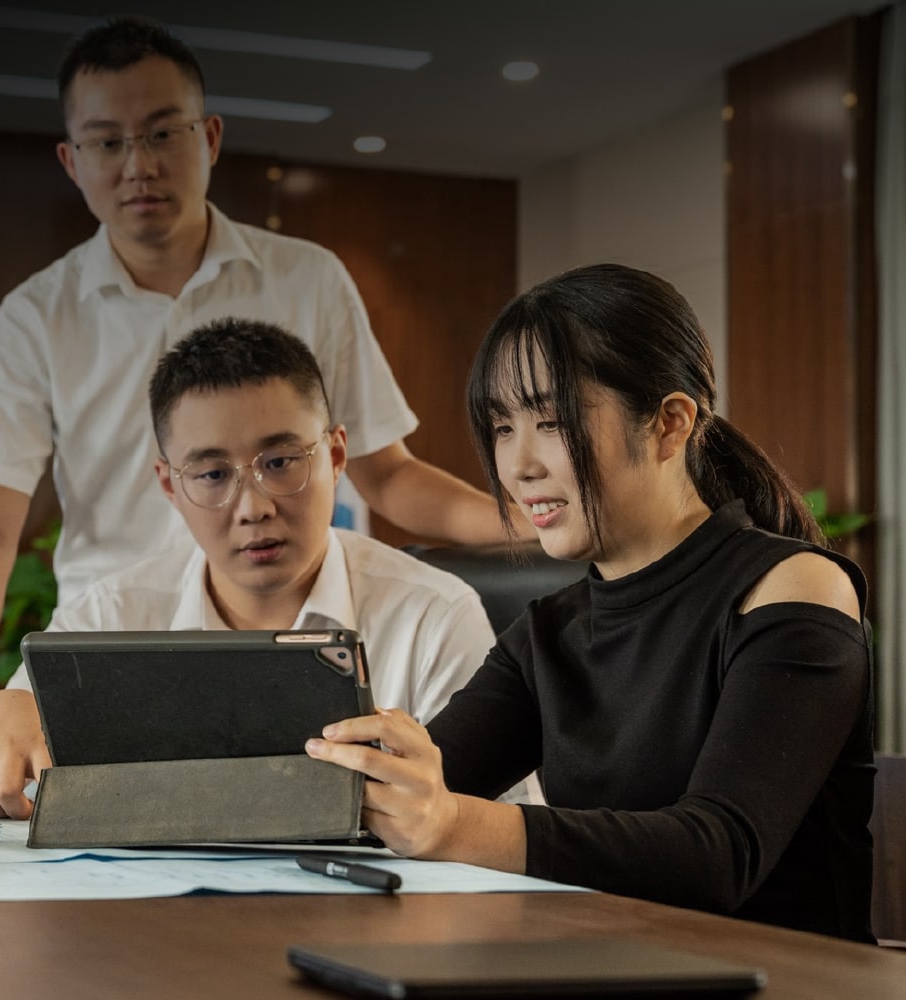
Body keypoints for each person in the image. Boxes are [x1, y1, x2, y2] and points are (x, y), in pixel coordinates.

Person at [0, 16, 528, 781]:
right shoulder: (37, 316)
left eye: (164, 133)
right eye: (108, 142)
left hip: (309, 624)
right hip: (119, 647)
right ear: (72, 161)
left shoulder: (309, 279)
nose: (139, 165)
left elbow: (387, 472)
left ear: (210, 137)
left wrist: (521, 522)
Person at [305, 263, 875, 942]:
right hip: (612, 967)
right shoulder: (549, 631)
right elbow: (415, 785)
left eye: (551, 421)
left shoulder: (795, 589)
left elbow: (718, 855)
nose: (518, 467)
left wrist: (452, 824)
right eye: (501, 427)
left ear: (668, 424)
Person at [0, 318, 521, 819]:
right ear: (170, 484)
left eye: (280, 462)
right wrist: (2, 708)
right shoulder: (116, 612)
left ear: (337, 457)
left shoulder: (433, 615)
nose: (255, 507)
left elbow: (505, 819)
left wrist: (435, 806)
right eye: (213, 474)